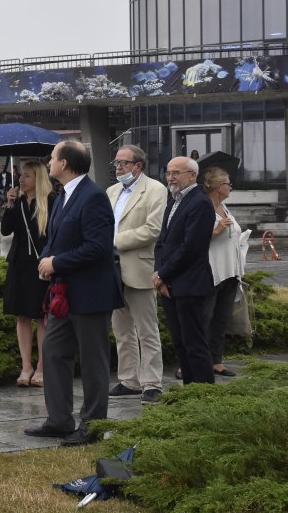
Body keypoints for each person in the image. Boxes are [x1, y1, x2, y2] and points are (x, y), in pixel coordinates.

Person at [25, 140, 123, 446]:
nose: (49, 162)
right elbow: (57, 237)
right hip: (64, 293)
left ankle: (92, 426)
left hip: (90, 294)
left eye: (52, 158)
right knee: (53, 352)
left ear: (65, 163)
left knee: (93, 362)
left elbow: (98, 248)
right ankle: (59, 420)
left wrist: (57, 262)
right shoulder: (63, 195)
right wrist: (47, 260)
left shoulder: (93, 197)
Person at [106, 145, 169, 405]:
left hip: (138, 266)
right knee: (121, 329)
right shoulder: (111, 191)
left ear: (138, 165)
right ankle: (129, 380)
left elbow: (152, 230)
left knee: (147, 330)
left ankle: (152, 383)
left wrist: (113, 241)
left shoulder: (155, 189)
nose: (118, 168)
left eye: (123, 163)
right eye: (117, 163)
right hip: (111, 269)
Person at [154, 156, 216, 385]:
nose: (170, 177)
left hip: (191, 284)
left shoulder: (200, 202)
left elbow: (190, 248)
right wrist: (161, 276)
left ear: (192, 175)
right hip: (170, 285)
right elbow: (162, 242)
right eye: (168, 172)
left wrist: (162, 274)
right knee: (180, 342)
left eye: (176, 173)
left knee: (195, 344)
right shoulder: (173, 202)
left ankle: (204, 395)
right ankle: (190, 391)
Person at [0, 161, 55, 388]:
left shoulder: (51, 201)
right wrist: (9, 205)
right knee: (21, 316)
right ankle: (26, 366)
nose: (21, 180)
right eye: (21, 175)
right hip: (19, 264)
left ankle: (42, 367)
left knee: (41, 316)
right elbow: (6, 230)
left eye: (27, 176)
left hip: (41, 265)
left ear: (38, 178)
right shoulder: (19, 202)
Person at [201, 166, 243, 378]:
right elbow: (192, 238)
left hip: (230, 272)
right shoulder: (203, 208)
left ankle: (216, 361)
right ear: (218, 187)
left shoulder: (225, 208)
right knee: (203, 320)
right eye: (227, 183)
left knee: (220, 320)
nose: (230, 186)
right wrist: (215, 231)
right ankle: (190, 364)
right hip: (211, 272)